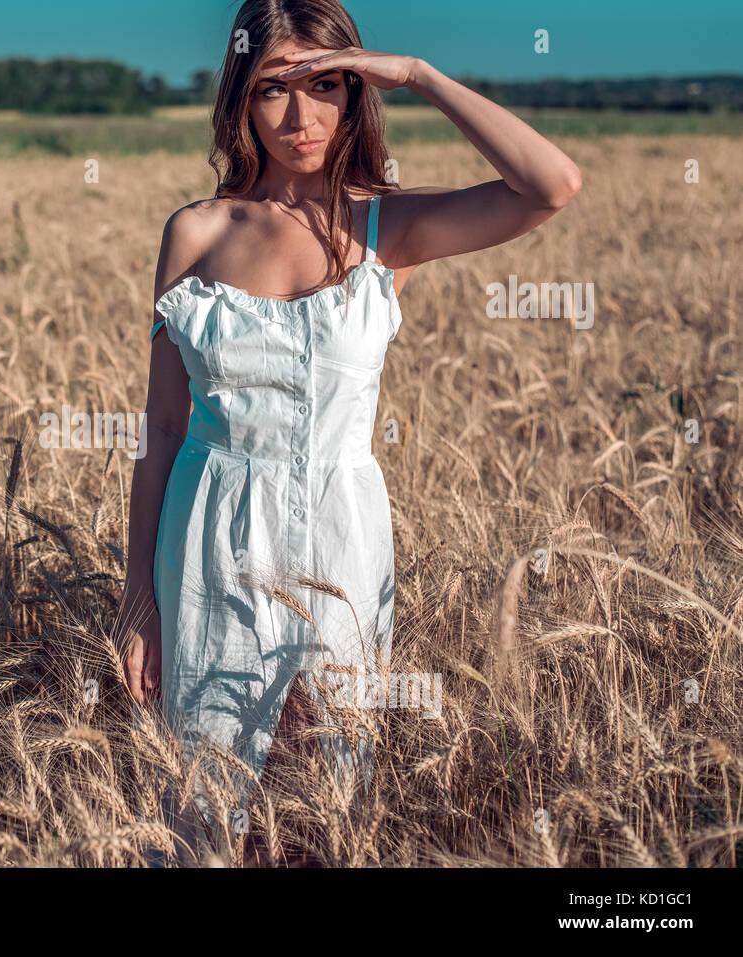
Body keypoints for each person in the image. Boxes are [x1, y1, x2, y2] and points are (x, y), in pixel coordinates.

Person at [117, 0, 582, 861]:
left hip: (343, 538)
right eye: (274, 90)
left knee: (328, 802)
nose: (301, 118)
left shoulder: (386, 228)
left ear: (357, 94)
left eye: (327, 86)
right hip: (211, 535)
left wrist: (419, 75)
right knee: (204, 811)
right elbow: (163, 428)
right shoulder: (195, 233)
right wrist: (138, 592)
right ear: (239, 100)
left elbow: (550, 186)